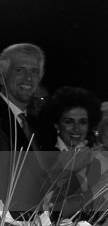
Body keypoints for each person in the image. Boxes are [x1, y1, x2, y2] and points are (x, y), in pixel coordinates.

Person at [42, 86, 102, 217]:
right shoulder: (43, 154)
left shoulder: (95, 157)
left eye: (82, 122)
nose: (76, 129)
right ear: (57, 124)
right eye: (69, 121)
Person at [0, 43, 45, 151]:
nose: (28, 78)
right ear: (2, 77)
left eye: (34, 71)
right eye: (20, 70)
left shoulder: (38, 124)